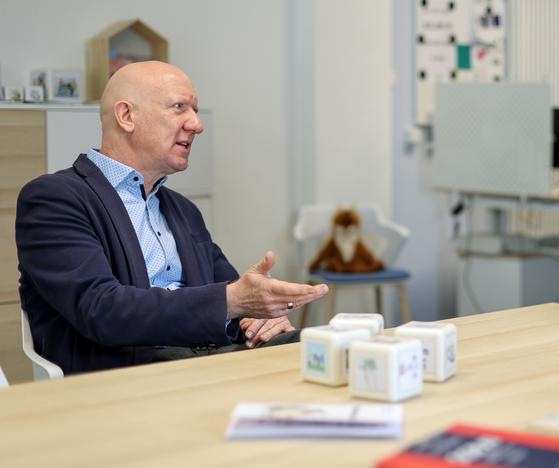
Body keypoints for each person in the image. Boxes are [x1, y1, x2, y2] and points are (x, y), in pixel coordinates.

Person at [16, 61, 328, 374]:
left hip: (213, 358)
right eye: (179, 107)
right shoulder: (54, 198)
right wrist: (234, 301)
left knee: (339, 347)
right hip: (130, 372)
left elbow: (230, 290)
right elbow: (101, 310)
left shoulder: (181, 209)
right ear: (126, 116)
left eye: (195, 110)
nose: (196, 124)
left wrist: (260, 315)